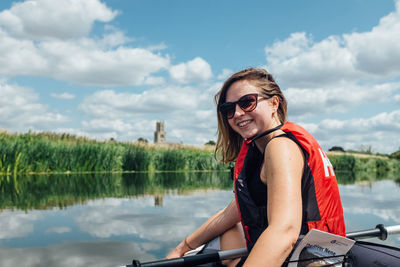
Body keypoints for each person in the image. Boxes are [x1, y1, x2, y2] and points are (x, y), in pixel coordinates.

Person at [166, 68, 346, 266]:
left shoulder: (281, 147)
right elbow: (231, 213)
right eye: (228, 109)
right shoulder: (260, 150)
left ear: (274, 103)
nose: (237, 113)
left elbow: (284, 231)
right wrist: (182, 248)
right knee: (229, 230)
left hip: (308, 261)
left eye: (247, 102)